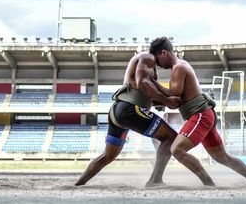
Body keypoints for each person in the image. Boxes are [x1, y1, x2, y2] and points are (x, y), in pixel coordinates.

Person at [149, 37, 246, 187]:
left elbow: (174, 94)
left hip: (200, 115)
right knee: (222, 157)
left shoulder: (179, 67)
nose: (158, 65)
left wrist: (152, 83)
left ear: (164, 53)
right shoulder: (179, 67)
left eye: (158, 60)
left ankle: (209, 183)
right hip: (204, 114)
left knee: (177, 149)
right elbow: (174, 99)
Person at [75, 51, 182, 187]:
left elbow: (143, 93)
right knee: (170, 137)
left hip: (119, 110)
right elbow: (142, 84)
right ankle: (155, 179)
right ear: (162, 52)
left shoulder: (144, 65)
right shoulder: (147, 58)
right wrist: (166, 98)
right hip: (129, 109)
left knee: (108, 156)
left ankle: (78, 184)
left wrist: (164, 101)